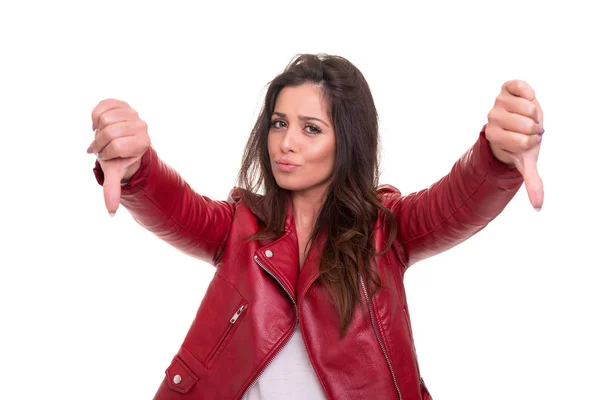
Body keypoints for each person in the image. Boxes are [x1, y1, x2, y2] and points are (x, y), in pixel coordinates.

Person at [88, 53, 544, 400]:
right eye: (279, 123)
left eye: (311, 129)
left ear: (347, 141)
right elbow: (177, 207)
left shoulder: (386, 230)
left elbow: (456, 200)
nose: (286, 142)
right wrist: (136, 168)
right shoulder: (240, 226)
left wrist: (496, 155)